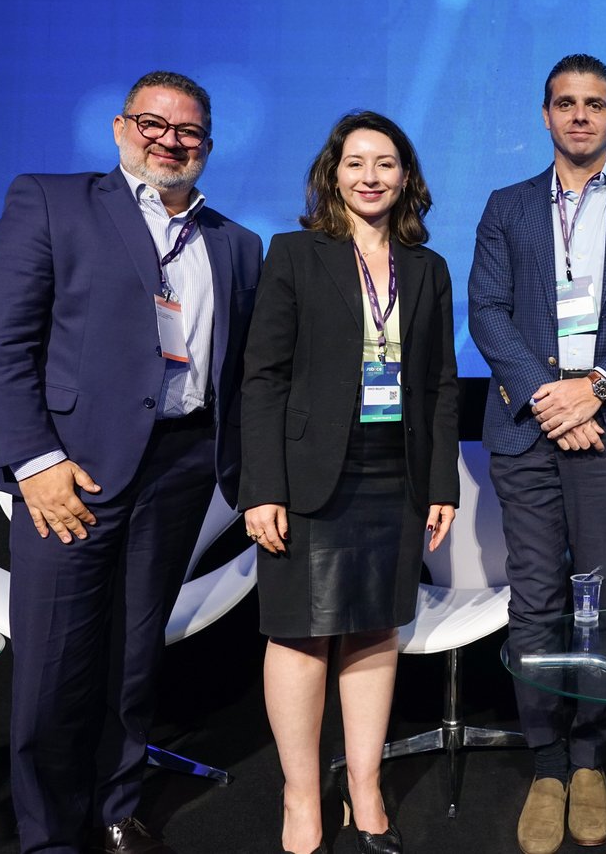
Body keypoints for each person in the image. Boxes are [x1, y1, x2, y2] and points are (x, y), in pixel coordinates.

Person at [0, 70, 262, 854]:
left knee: (134, 659)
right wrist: (34, 461)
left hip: (182, 467)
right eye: (153, 123)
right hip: (73, 473)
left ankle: (116, 808)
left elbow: (238, 370)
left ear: (207, 144)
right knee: (54, 666)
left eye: (188, 130)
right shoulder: (52, 201)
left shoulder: (235, 243)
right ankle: (49, 836)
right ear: (122, 128)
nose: (170, 140)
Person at [468, 53, 606, 854]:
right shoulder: (508, 206)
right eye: (566, 103)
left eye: (595, 103)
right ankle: (547, 762)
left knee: (601, 597)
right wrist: (550, 398)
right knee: (535, 597)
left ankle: (591, 756)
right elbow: (487, 311)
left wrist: (592, 389)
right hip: (529, 425)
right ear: (546, 114)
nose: (581, 115)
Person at [239, 111, 459, 854]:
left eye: (386, 163)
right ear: (333, 174)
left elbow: (440, 383)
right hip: (308, 474)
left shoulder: (427, 268)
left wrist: (442, 483)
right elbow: (262, 377)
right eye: (356, 162)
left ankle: (365, 788)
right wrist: (262, 486)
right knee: (301, 633)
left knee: (374, 627)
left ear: (406, 177)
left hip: (396, 471)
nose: (371, 176)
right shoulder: (295, 254)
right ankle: (302, 797)